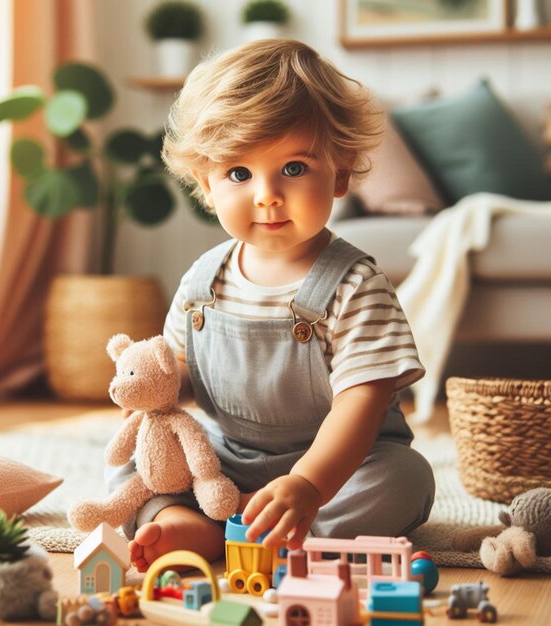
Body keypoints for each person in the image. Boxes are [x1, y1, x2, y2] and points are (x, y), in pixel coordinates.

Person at [106, 39, 435, 573]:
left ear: (342, 170)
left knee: (406, 479)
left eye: (295, 168)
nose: (267, 195)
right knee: (132, 463)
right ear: (206, 186)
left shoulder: (356, 284)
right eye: (240, 174)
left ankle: (290, 533)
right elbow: (181, 372)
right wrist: (155, 391)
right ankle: (189, 523)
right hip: (224, 461)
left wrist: (307, 484)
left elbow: (362, 403)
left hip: (338, 469)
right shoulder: (201, 280)